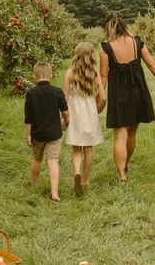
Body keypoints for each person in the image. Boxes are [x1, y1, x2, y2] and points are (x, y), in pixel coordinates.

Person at [100, 11, 155, 182]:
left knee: (119, 135)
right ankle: (126, 164)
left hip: (118, 92)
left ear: (107, 27)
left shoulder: (106, 48)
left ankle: (122, 175)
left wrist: (99, 97)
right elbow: (152, 64)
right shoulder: (137, 43)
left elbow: (104, 76)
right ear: (125, 24)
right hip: (138, 90)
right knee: (131, 134)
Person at [63, 42, 106, 197]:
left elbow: (64, 97)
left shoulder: (70, 73)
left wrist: (64, 117)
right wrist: (98, 109)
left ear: (76, 55)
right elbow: (103, 97)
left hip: (74, 112)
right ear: (92, 57)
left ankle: (76, 172)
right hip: (89, 112)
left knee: (76, 147)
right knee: (88, 149)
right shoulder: (94, 74)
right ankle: (84, 181)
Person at [24, 62, 69, 201]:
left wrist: (28, 134)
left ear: (34, 77)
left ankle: (34, 185)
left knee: (37, 159)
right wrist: (66, 122)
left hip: (38, 134)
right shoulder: (57, 91)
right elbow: (65, 111)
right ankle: (54, 193)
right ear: (50, 75)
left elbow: (28, 118)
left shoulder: (31, 94)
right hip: (54, 133)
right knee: (53, 161)